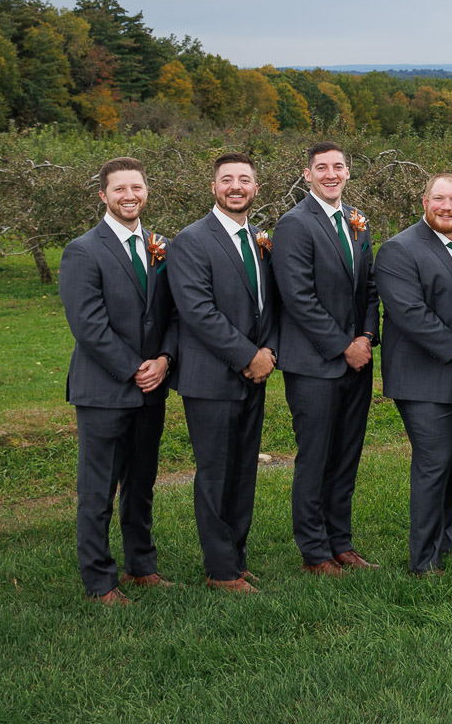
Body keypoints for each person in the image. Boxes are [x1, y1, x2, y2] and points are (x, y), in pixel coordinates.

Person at [60, 156, 178, 604]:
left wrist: (165, 358)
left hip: (152, 386)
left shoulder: (159, 245)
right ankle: (98, 579)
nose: (130, 196)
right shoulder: (83, 250)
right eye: (120, 189)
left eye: (137, 188)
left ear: (147, 191)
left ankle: (140, 565)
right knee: (98, 489)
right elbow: (88, 325)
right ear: (103, 196)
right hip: (105, 389)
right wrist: (135, 368)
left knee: (142, 482)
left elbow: (172, 313)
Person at [167, 152, 279, 592]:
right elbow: (197, 311)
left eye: (245, 180)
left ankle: (237, 555)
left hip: (255, 373)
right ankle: (219, 570)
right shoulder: (192, 240)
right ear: (213, 187)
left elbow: (269, 303)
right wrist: (248, 356)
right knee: (215, 473)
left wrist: (268, 349)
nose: (236, 187)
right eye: (227, 180)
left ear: (255, 188)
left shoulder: (258, 239)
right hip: (212, 377)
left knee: (243, 470)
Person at [271, 141, 379, 574]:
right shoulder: (295, 224)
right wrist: (343, 346)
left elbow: (369, 287)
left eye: (338, 167)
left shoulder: (357, 221)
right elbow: (298, 298)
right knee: (315, 457)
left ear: (348, 172)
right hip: (315, 364)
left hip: (358, 358)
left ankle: (342, 541)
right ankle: (314, 550)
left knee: (346, 455)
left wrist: (368, 336)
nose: (331, 174)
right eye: (322, 168)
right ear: (307, 174)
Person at [377, 173, 452, 575]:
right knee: (435, 459)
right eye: (439, 199)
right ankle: (422, 560)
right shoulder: (398, 250)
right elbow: (410, 314)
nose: (448, 207)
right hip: (421, 376)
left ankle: (443, 542)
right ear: (423, 201)